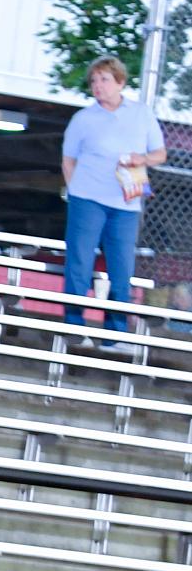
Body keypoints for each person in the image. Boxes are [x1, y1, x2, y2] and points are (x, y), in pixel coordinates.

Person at [60, 56, 164, 350]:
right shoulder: (83, 118)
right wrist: (76, 189)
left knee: (121, 269)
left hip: (126, 204)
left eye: (104, 79)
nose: (97, 86)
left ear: (120, 82)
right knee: (79, 262)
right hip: (87, 199)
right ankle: (74, 327)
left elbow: (160, 153)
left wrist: (141, 159)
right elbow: (68, 159)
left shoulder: (141, 114)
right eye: (94, 81)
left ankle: (114, 334)